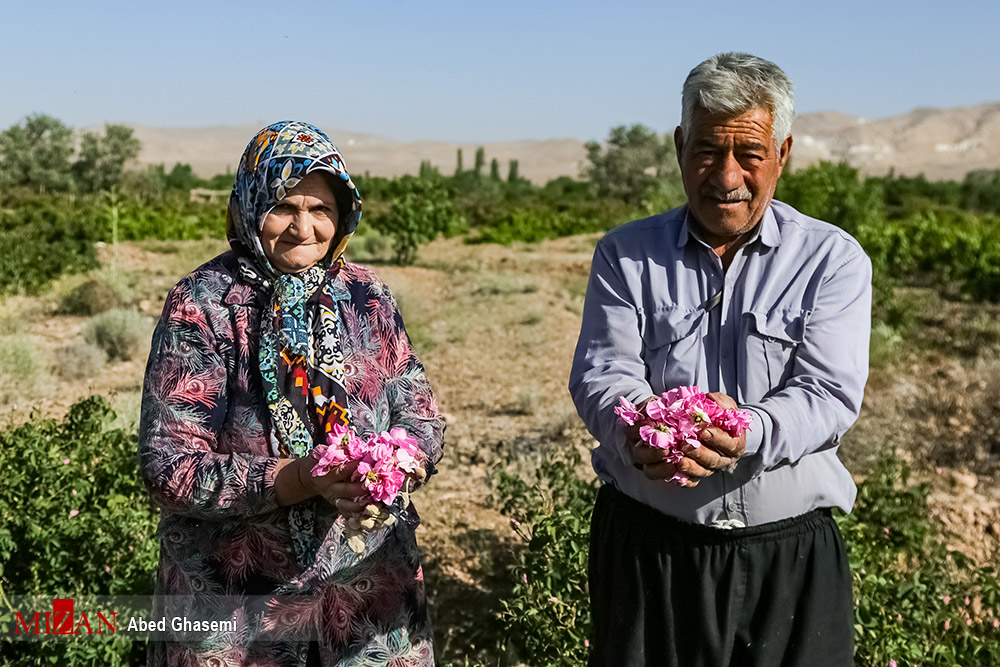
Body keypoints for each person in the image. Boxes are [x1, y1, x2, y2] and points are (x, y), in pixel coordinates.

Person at [569, 53, 871, 667]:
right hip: (651, 552)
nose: (726, 175)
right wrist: (640, 430)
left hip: (788, 561)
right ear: (680, 146)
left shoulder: (832, 260)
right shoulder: (626, 256)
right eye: (707, 149)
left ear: (783, 154)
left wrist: (747, 430)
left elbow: (828, 394)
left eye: (750, 155)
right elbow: (603, 373)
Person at [138, 121, 444, 666]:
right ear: (250, 207)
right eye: (284, 206)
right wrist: (300, 479)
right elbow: (170, 468)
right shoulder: (203, 304)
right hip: (238, 609)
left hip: (370, 595)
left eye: (322, 209)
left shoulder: (366, 295)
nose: (304, 228)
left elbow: (419, 415)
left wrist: (394, 467)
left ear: (344, 213)